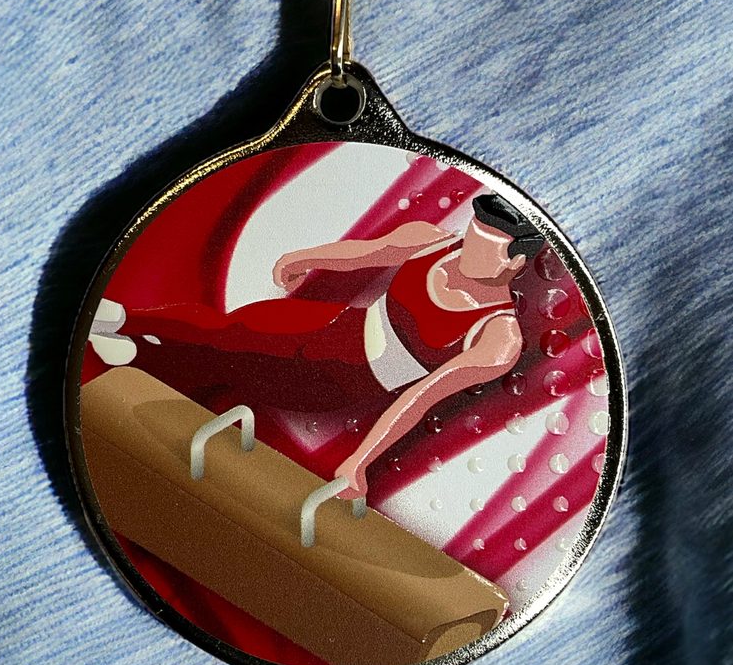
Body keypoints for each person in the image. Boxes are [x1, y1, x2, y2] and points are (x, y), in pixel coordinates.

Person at [89, 193, 544, 499]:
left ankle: (140, 355)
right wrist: (305, 257)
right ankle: (127, 321)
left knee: (233, 367)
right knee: (232, 328)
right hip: (333, 326)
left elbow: (422, 397)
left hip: (341, 381)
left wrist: (360, 461)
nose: (466, 251)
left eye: (482, 250)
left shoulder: (498, 337)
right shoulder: (432, 240)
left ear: (515, 262)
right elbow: (366, 252)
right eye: (470, 235)